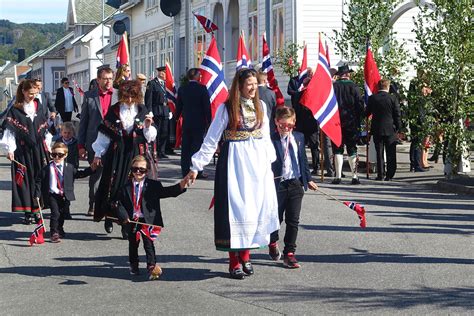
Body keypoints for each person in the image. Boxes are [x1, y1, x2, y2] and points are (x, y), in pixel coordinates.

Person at [186, 68, 279, 279]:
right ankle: (234, 262)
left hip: (257, 163)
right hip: (234, 163)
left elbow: (265, 137)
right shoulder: (226, 108)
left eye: (255, 83)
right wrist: (196, 166)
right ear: (239, 86)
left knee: (253, 209)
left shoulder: (261, 106)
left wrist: (270, 163)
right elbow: (211, 139)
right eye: (249, 84)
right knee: (236, 210)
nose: (254, 87)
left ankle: (246, 256)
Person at [92, 80, 157, 238]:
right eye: (126, 97)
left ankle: (126, 224)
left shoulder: (143, 110)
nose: (129, 101)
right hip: (117, 155)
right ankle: (110, 216)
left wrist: (148, 126)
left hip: (136, 154)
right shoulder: (114, 111)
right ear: (121, 96)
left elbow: (150, 137)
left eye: (132, 97)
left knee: (133, 189)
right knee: (112, 187)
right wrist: (98, 154)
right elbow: (104, 135)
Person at [116, 155, 187, 280]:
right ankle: (134, 264)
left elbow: (167, 192)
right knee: (133, 243)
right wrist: (123, 215)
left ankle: (151, 265)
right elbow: (117, 203)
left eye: (142, 170)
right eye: (135, 169)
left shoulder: (153, 185)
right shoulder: (124, 187)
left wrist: (181, 186)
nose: (138, 172)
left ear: (147, 171)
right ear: (131, 170)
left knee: (148, 243)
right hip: (131, 220)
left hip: (148, 219)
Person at [268, 107, 318, 268]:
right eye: (282, 125)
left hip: (295, 183)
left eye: (289, 125)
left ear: (294, 123)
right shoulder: (270, 139)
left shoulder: (298, 137)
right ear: (276, 122)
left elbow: (302, 159)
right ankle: (272, 242)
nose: (285, 128)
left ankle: (289, 253)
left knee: (293, 220)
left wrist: (308, 179)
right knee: (276, 218)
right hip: (278, 184)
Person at [0, 79, 52, 224]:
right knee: (25, 180)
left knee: (39, 178)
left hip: (38, 149)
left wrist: (47, 144)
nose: (32, 96)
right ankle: (28, 211)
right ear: (23, 91)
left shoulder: (39, 106)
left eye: (34, 94)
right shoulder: (15, 110)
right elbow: (10, 132)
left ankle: (37, 210)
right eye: (30, 94)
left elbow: (44, 128)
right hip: (22, 151)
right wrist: (10, 150)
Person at [34, 142, 94, 242]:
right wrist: (37, 194)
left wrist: (91, 169)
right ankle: (54, 232)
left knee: (62, 214)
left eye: (60, 155)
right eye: (54, 155)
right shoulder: (47, 168)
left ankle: (60, 228)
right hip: (52, 194)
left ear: (65, 155)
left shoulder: (69, 167)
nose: (57, 157)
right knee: (55, 213)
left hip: (64, 195)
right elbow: (38, 181)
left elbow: (79, 174)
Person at [78, 66, 115, 216]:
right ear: (98, 79)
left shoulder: (119, 95)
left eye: (110, 78)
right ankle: (93, 203)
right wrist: (81, 145)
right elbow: (84, 123)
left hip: (114, 142)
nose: (108, 81)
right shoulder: (89, 96)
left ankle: (110, 205)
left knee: (113, 175)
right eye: (105, 78)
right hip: (93, 142)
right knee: (96, 175)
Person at [175, 68, 211, 178]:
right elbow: (206, 107)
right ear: (196, 76)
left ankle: (185, 171)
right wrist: (209, 121)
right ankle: (197, 171)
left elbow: (179, 106)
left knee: (185, 147)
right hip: (199, 122)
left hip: (187, 122)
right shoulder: (202, 88)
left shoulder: (182, 89)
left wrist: (176, 117)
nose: (200, 77)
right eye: (199, 75)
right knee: (197, 147)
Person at [332, 65, 364, 184]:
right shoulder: (354, 87)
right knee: (352, 149)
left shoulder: (334, 86)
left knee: (338, 149)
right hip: (351, 121)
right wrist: (361, 117)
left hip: (336, 122)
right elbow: (359, 105)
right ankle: (354, 176)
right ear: (347, 74)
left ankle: (338, 176)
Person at [367, 79, 401, 181]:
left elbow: (367, 112)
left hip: (377, 129)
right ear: (388, 87)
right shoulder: (392, 98)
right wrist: (399, 127)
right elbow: (397, 114)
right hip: (390, 129)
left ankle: (380, 174)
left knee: (379, 152)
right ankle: (390, 174)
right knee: (391, 152)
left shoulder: (373, 98)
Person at [145, 66, 170, 158]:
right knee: (156, 132)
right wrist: (149, 110)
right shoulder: (152, 83)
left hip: (165, 110)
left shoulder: (166, 84)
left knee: (164, 132)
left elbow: (169, 98)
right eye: (163, 73)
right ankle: (155, 150)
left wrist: (169, 110)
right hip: (156, 110)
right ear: (160, 73)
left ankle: (162, 151)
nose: (165, 75)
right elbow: (148, 99)